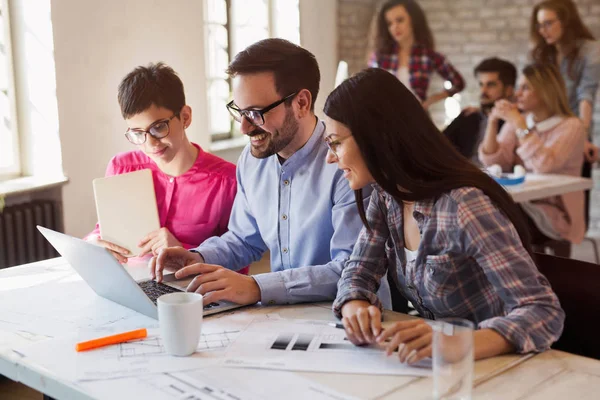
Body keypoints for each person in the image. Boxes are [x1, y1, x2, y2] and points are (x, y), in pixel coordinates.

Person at [323, 68, 564, 365]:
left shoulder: (464, 205)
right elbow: (358, 271)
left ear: (375, 137)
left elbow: (542, 311)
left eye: (335, 142)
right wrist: (354, 305)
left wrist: (460, 343)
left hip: (500, 367)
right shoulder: (388, 198)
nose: (329, 157)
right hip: (442, 370)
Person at [149, 39, 390, 308]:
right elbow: (244, 240)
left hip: (351, 317)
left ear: (300, 102)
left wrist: (258, 286)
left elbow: (351, 269)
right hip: (283, 314)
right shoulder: (252, 161)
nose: (243, 127)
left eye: (254, 113)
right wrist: (198, 257)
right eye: (239, 112)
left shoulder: (346, 166)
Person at [85, 63, 248, 274]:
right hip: (129, 286)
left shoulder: (228, 181)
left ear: (185, 117)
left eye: (158, 127)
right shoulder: (121, 167)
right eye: (137, 133)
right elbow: (103, 232)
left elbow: (239, 261)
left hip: (195, 294)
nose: (150, 143)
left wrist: (183, 251)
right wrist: (93, 244)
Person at [479, 63, 586, 245]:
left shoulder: (572, 125)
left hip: (556, 214)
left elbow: (544, 165)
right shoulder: (520, 120)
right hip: (524, 203)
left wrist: (520, 125)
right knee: (484, 210)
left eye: (525, 88)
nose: (517, 94)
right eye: (519, 87)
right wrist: (493, 122)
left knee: (494, 218)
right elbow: (495, 162)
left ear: (546, 91)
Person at [531, 0, 600, 163]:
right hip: (544, 130)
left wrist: (581, 137)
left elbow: (586, 95)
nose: (542, 31)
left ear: (566, 22)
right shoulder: (542, 54)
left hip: (573, 129)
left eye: (548, 23)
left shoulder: (591, 50)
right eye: (539, 25)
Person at [368, 0, 465, 109]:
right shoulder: (379, 57)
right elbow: (369, 89)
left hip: (417, 117)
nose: (394, 27)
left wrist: (431, 100)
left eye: (400, 20)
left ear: (413, 20)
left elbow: (458, 83)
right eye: (389, 23)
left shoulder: (429, 56)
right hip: (387, 117)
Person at [443, 58, 516, 163]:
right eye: (481, 84)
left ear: (508, 90)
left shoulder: (515, 121)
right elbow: (438, 144)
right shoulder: (469, 115)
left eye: (490, 85)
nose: (483, 91)